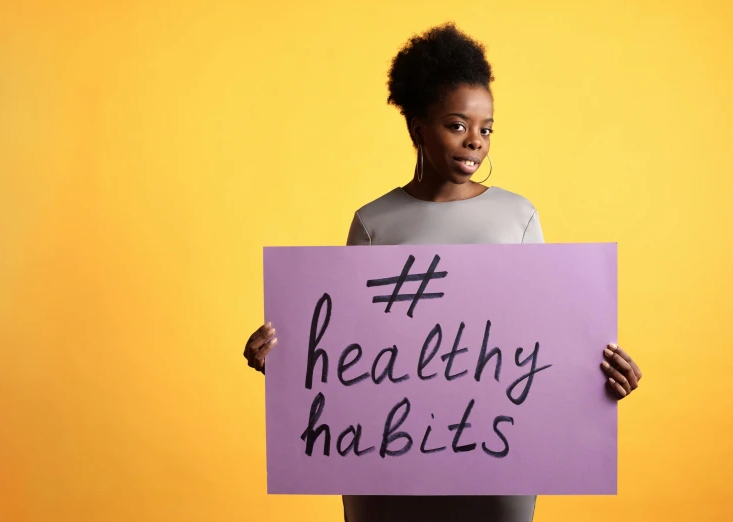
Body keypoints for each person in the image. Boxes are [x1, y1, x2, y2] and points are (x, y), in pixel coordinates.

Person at [242, 22, 643, 522]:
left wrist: (598, 380)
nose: (475, 141)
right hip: (387, 463)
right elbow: (348, 348)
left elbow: (545, 342)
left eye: (486, 128)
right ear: (417, 128)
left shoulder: (519, 218)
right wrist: (283, 361)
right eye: (457, 125)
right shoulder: (374, 222)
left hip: (498, 460)